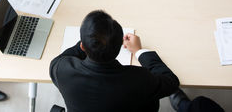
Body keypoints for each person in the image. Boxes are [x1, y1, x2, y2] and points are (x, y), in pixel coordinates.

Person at [49, 10, 179, 112]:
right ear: (119, 47)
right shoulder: (139, 79)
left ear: (83, 47)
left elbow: (60, 59)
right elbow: (171, 82)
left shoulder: (62, 69)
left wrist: (90, 40)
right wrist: (138, 51)